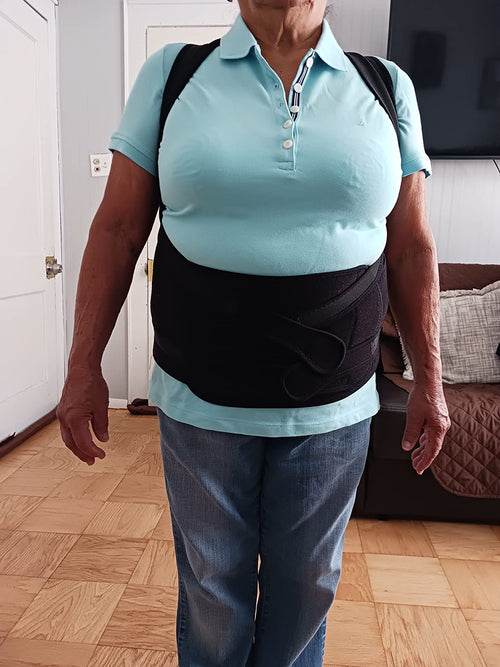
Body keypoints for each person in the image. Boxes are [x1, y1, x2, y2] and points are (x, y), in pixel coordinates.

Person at [57, 0, 451, 665]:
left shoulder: (386, 87)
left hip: (334, 407)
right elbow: (118, 228)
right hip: (201, 403)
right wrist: (82, 365)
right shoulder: (172, 75)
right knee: (213, 592)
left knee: (308, 586)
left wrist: (430, 381)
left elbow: (412, 248)